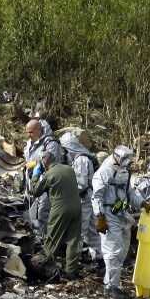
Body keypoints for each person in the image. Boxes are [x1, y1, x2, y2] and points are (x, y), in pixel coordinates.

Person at [91, 145, 142, 299]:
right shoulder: (104, 172)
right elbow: (97, 196)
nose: (127, 162)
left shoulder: (125, 172)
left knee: (122, 250)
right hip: (107, 214)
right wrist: (99, 217)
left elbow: (130, 193)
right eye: (125, 159)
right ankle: (111, 287)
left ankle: (112, 282)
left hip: (122, 212)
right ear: (117, 157)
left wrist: (143, 204)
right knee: (113, 250)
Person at [30, 151, 82, 278]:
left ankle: (41, 267)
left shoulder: (49, 174)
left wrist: (36, 174)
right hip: (76, 207)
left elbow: (35, 191)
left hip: (60, 209)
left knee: (52, 238)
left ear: (44, 161)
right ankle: (71, 271)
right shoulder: (69, 169)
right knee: (73, 240)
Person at [59, 132, 101, 261]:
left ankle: (74, 260)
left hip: (84, 200)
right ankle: (99, 256)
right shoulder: (78, 159)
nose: (64, 153)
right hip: (85, 199)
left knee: (79, 231)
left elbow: (81, 184)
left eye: (65, 149)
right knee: (91, 231)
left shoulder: (82, 160)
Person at [24, 118, 62, 238]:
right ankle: (37, 239)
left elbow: (49, 162)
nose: (29, 135)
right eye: (27, 132)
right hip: (32, 184)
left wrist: (33, 164)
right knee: (32, 213)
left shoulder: (50, 143)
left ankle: (46, 242)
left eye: (31, 132)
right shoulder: (29, 144)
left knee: (43, 213)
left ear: (39, 130)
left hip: (47, 184)